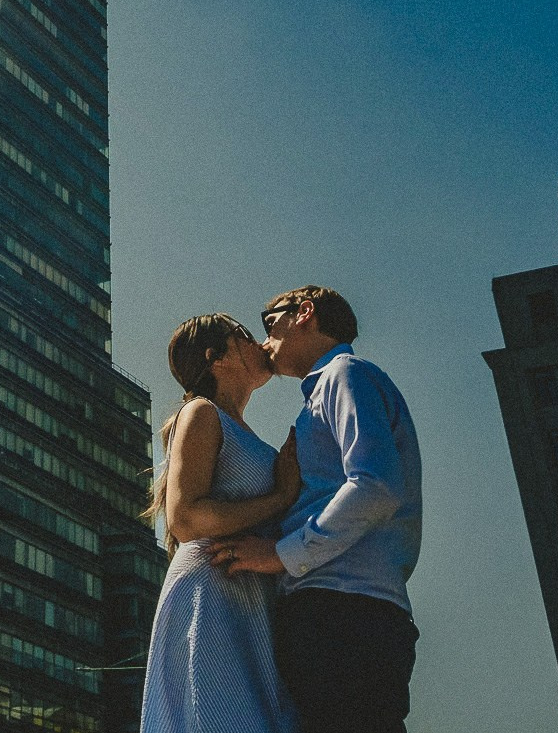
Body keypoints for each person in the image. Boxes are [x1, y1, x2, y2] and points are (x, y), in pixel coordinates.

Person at [211, 286, 423, 733]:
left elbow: (376, 484)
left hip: (345, 614)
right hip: (340, 610)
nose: (265, 341)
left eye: (270, 325)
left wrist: (280, 555)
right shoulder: (326, 391)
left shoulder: (345, 375)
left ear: (304, 314)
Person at [140, 313, 302, 733]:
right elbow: (185, 518)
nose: (257, 344)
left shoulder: (244, 431)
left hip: (252, 597)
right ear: (217, 356)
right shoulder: (201, 414)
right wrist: (280, 497)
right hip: (210, 592)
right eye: (244, 336)